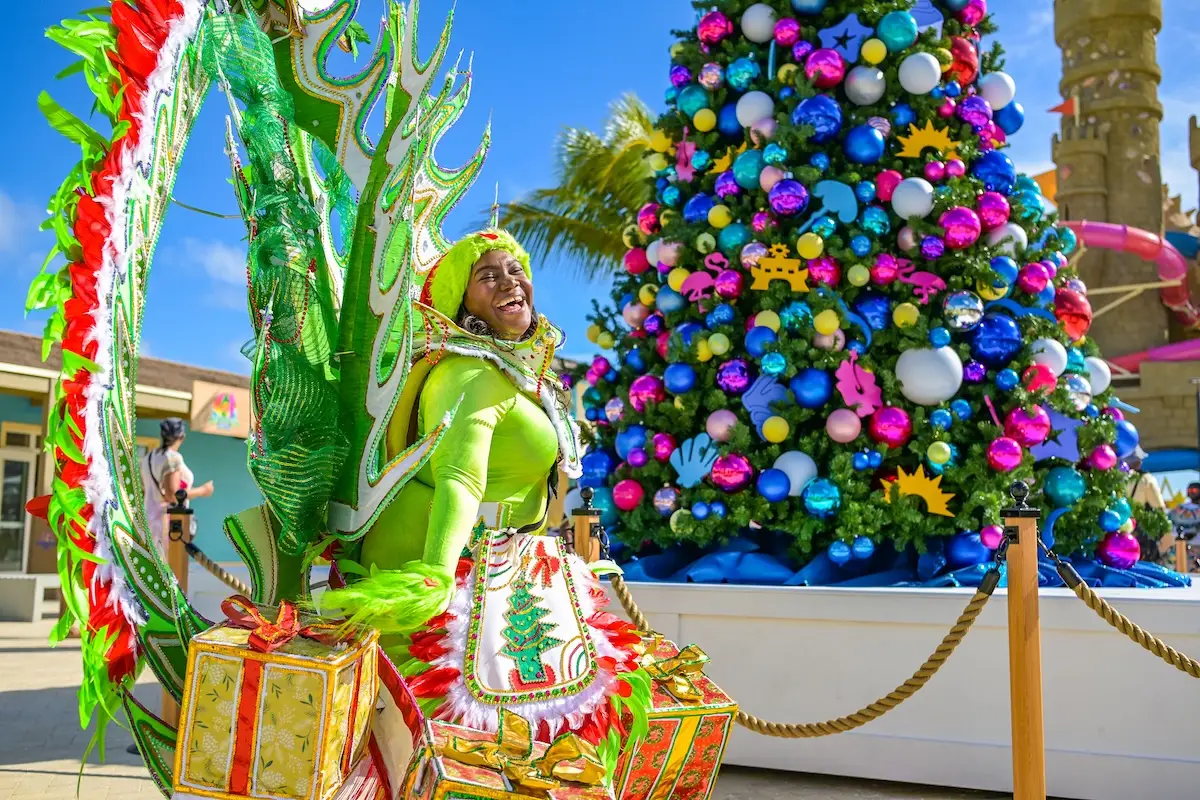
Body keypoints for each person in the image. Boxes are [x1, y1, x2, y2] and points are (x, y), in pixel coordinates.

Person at [321, 229, 645, 746]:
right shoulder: (470, 372)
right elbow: (461, 476)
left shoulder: (521, 376)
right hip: (442, 564)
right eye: (487, 276)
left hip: (503, 569)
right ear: (461, 301)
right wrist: (434, 572)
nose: (508, 282)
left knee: (521, 732)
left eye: (515, 271)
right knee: (436, 736)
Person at [141, 417, 213, 553]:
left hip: (149, 518)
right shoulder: (173, 458)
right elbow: (173, 495)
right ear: (182, 437)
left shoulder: (149, 457)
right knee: (169, 568)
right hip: (167, 524)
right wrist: (203, 491)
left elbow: (146, 489)